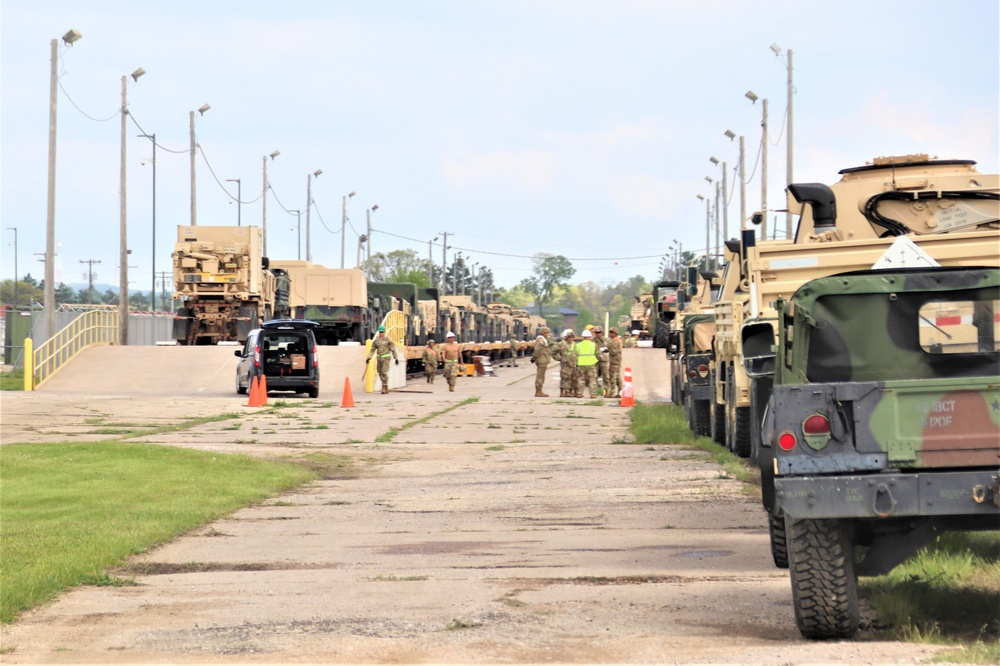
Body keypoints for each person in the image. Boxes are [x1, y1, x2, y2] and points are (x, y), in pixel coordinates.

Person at [366, 325, 399, 394]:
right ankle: (385, 385)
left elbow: (393, 349)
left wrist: (396, 358)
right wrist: (369, 357)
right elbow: (372, 349)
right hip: (379, 358)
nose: (381, 333)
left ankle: (384, 387)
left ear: (385, 332)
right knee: (380, 372)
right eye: (380, 332)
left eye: (382, 332)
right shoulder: (376, 341)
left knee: (384, 372)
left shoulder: (388, 340)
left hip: (386, 358)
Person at [575, 328, 600, 398]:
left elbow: (575, 354)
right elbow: (598, 354)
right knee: (592, 379)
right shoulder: (593, 345)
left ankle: (579, 393)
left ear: (583, 337)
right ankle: (593, 394)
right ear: (589, 337)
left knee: (581, 379)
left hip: (581, 363)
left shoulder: (578, 345)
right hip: (591, 363)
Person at [552, 329, 577, 397]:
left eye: (572, 337)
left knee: (573, 378)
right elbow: (553, 351)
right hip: (565, 364)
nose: (571, 339)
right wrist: (559, 358)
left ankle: (570, 391)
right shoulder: (562, 344)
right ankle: (564, 392)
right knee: (565, 378)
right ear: (566, 337)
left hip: (573, 364)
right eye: (570, 337)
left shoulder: (574, 344)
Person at [530, 326, 552, 397]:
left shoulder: (544, 339)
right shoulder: (541, 339)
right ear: (544, 333)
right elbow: (537, 349)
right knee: (540, 376)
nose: (548, 334)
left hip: (543, 359)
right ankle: (538, 391)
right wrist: (534, 357)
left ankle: (539, 390)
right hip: (541, 359)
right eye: (547, 333)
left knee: (541, 376)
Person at [606, 327, 624, 399]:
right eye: (610, 332)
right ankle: (621, 392)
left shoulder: (616, 341)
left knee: (613, 378)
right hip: (615, 361)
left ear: (615, 333)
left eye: (611, 332)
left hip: (615, 361)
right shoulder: (615, 340)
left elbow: (614, 352)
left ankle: (612, 393)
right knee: (617, 378)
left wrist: (608, 349)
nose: (610, 333)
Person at [592, 326, 610, 393]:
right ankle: (595, 390)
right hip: (595, 360)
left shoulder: (606, 340)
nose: (597, 334)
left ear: (602, 332)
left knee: (606, 375)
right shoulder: (592, 340)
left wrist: (603, 349)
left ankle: (607, 389)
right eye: (596, 333)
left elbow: (610, 348)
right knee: (594, 375)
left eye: (599, 332)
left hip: (604, 359)